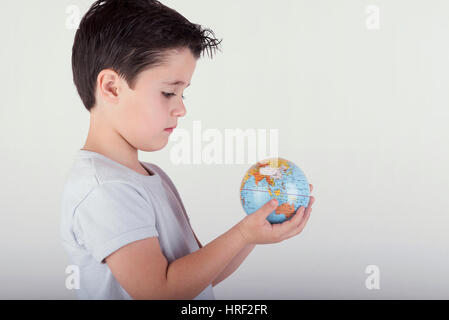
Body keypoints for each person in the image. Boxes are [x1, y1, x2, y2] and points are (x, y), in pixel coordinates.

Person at [60, 0, 315, 300]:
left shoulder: (151, 176)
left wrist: (252, 234)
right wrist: (243, 234)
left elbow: (201, 274)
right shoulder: (104, 190)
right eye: (169, 92)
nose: (180, 108)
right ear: (112, 88)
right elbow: (159, 291)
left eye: (183, 93)